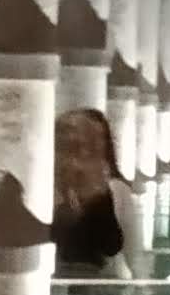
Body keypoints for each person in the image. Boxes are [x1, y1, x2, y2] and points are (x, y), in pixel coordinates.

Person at [52, 105, 146, 274]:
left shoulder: (116, 191)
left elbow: (119, 247)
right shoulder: (46, 189)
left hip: (103, 286)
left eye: (91, 141)